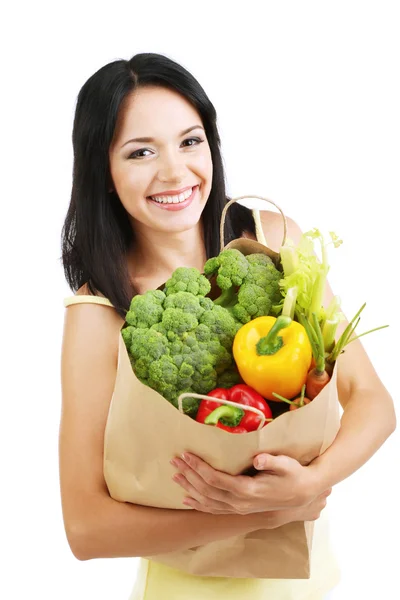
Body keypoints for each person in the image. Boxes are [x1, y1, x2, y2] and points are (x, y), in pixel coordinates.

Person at [59, 52, 396, 600]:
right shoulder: (99, 314)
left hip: (312, 582)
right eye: (141, 152)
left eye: (190, 142)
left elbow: (372, 401)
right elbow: (85, 527)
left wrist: (312, 481)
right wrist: (259, 514)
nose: (174, 172)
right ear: (104, 169)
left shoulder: (275, 238)